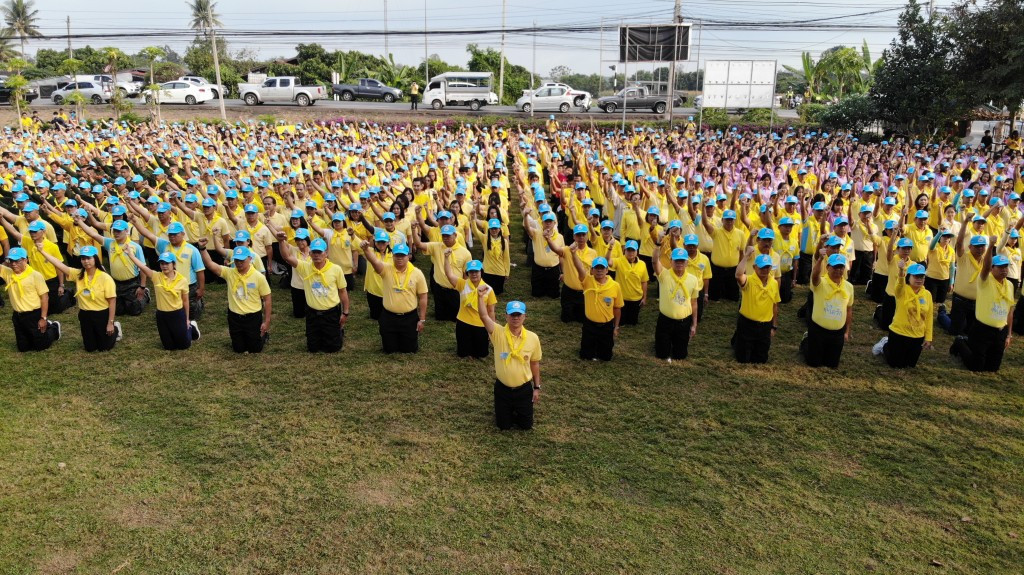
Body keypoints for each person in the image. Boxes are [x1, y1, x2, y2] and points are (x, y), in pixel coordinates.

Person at [34, 244, 121, 352]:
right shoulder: (78, 274)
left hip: (101, 314)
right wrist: (42, 251)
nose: (86, 261)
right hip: (85, 314)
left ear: (95, 259)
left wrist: (110, 322)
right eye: (83, 258)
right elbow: (59, 264)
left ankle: (116, 329)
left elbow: (112, 301)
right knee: (90, 348)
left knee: (104, 347)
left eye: (89, 258)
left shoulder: (105, 278)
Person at [477, 296, 542, 431]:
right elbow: (483, 316)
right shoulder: (498, 333)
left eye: (519, 315)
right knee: (503, 426)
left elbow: (535, 364)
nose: (515, 318)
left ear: (525, 316)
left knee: (526, 426)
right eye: (512, 314)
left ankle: (517, 410)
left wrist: (536, 387)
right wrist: (480, 297)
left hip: (524, 389)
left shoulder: (533, 338)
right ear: (506, 316)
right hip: (503, 389)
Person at [951, 238, 1015, 372]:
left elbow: (1010, 311)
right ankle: (960, 342)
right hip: (982, 329)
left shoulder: (1009, 285)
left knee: (992, 368)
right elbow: (985, 267)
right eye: (1000, 267)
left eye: (1006, 267)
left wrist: (1008, 334)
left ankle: (970, 343)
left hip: (1000, 331)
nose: (1004, 270)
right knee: (976, 366)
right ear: (992, 268)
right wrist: (991, 245)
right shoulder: (985, 280)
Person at [198, 242, 273, 353]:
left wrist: (266, 321)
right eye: (237, 260)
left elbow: (267, 299)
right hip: (235, 317)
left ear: (249, 259)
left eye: (242, 260)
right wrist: (203, 248)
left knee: (255, 349)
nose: (239, 263)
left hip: (252, 316)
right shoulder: (230, 273)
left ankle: (263, 336)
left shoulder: (258, 277)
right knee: (238, 349)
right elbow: (210, 264)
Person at [280, 238, 350, 353]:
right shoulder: (305, 267)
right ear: (310, 253)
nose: (316, 255)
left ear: (326, 253)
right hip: (312, 313)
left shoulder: (336, 269)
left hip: (330, 313)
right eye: (314, 252)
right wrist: (281, 241)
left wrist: (345, 312)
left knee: (332, 348)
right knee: (313, 348)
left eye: (319, 252)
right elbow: (287, 257)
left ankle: (338, 332)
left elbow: (343, 291)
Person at [360, 241, 428, 353]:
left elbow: (423, 297)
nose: (399, 258)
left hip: (409, 317)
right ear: (393, 256)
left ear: (408, 257)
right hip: (389, 317)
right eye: (397, 255)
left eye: (402, 255)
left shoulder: (417, 273)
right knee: (389, 349)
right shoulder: (386, 269)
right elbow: (374, 261)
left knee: (409, 350)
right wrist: (366, 250)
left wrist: (422, 319)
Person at [126, 249, 200, 350]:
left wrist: (186, 319)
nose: (164, 266)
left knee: (184, 345)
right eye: (162, 263)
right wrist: (131, 256)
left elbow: (185, 301)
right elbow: (142, 267)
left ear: (173, 264)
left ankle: (191, 327)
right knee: (168, 347)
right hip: (162, 315)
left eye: (167, 263)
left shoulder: (182, 280)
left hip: (177, 314)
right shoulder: (156, 276)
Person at [77, 218, 148, 316]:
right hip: (116, 283)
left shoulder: (135, 247)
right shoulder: (110, 243)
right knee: (118, 311)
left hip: (132, 282)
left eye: (119, 231)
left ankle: (145, 296)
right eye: (114, 230)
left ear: (126, 231)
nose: (116, 233)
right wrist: (79, 221)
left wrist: (142, 286)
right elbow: (93, 234)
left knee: (134, 311)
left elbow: (143, 268)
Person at [1, 247, 61, 351]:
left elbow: (44, 297)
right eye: (11, 261)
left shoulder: (35, 275)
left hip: (33, 314)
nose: (13, 264)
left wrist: (43, 318)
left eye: (17, 261)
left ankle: (54, 328)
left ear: (25, 260)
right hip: (18, 315)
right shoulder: (8, 273)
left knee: (41, 346)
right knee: (23, 348)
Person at [877, 262, 933, 368]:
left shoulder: (927, 295)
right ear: (909, 277)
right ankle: (885, 345)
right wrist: (901, 271)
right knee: (895, 364)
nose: (919, 279)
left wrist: (928, 337)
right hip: (899, 332)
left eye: (922, 277)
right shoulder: (902, 290)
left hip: (917, 335)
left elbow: (929, 317)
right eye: (916, 276)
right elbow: (899, 285)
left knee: (910, 365)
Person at [569, 250, 623, 361]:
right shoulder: (587, 281)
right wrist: (574, 254)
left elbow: (617, 308)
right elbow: (579, 268)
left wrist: (616, 327)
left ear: (607, 270)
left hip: (606, 326)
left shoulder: (615, 286)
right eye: (596, 268)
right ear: (592, 270)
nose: (599, 270)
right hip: (590, 325)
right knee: (586, 356)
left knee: (606, 357)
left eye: (602, 268)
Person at [442, 254, 496, 359]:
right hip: (463, 323)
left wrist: (492, 329)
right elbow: (449, 274)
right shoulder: (462, 284)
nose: (474, 274)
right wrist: (446, 258)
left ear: (481, 272)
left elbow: (491, 311)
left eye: (476, 271)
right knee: (463, 353)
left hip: (481, 324)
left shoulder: (489, 289)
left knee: (482, 354)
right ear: (467, 273)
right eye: (471, 272)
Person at [805, 252, 854, 368]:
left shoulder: (849, 287)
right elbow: (815, 276)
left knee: (832, 365)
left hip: (837, 333)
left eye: (841, 267)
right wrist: (820, 259)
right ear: (827, 267)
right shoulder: (820, 282)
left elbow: (849, 310)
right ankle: (805, 342)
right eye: (835, 266)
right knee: (813, 363)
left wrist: (846, 331)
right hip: (818, 330)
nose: (838, 270)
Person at [733, 248, 780, 364]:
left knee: (761, 360)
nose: (765, 270)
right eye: (762, 267)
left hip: (765, 326)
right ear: (754, 267)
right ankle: (736, 340)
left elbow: (775, 305)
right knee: (743, 359)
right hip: (747, 324)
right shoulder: (748, 280)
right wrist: (746, 256)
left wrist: (773, 326)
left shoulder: (774, 283)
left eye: (767, 267)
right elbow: (738, 274)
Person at [652, 247, 699, 362]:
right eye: (676, 260)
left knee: (680, 355)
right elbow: (654, 261)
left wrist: (694, 324)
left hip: (683, 322)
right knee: (662, 354)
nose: (679, 263)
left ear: (687, 263)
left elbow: (694, 303)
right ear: (671, 261)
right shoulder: (664, 275)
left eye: (682, 261)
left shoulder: (693, 279)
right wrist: (658, 244)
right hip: (665, 320)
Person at [610, 239, 648, 326]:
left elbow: (644, 281)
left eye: (633, 250)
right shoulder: (619, 261)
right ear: (625, 251)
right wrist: (610, 248)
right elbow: (608, 262)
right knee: (621, 322)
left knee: (632, 322)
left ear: (637, 251)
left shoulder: (642, 264)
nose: (631, 253)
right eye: (628, 250)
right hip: (622, 298)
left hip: (636, 298)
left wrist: (644, 297)